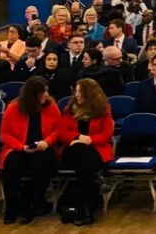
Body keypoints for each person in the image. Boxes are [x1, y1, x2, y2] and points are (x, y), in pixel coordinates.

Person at [0, 76, 60, 225]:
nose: (46, 95)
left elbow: (58, 130)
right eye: (42, 92)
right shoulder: (14, 107)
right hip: (19, 147)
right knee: (11, 167)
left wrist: (47, 141)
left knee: (42, 166)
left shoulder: (51, 107)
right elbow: (4, 134)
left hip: (44, 147)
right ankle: (11, 207)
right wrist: (21, 147)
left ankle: (32, 205)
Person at [57, 79, 114, 226]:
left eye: (80, 92)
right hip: (71, 150)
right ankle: (97, 180)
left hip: (95, 149)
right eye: (76, 91)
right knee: (81, 152)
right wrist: (77, 137)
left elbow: (106, 134)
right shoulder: (69, 110)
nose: (77, 95)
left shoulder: (103, 110)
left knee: (84, 170)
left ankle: (84, 208)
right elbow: (62, 132)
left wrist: (90, 139)